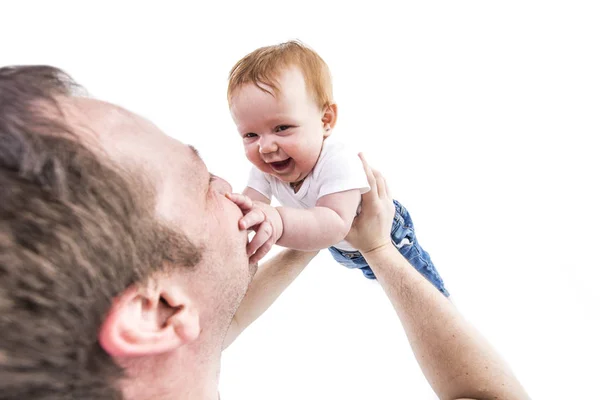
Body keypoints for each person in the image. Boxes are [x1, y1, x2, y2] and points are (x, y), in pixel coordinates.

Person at [0, 65, 528, 399]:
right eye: (204, 181)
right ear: (155, 313)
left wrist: (306, 236)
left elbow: (205, 332)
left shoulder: (127, 362)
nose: (232, 183)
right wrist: (379, 249)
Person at [227, 40, 448, 296]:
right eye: (251, 135)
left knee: (421, 289)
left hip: (391, 236)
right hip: (346, 248)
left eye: (282, 128)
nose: (265, 147)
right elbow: (250, 206)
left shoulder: (337, 161)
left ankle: (447, 306)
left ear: (325, 120)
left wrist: (277, 219)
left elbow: (334, 223)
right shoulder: (267, 167)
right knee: (385, 284)